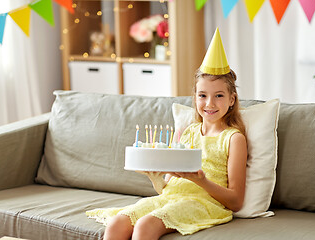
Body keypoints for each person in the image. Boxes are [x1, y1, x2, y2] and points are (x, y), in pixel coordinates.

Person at [86, 28, 247, 240]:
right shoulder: (188, 133)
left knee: (145, 226)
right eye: (202, 95)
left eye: (218, 95)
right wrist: (156, 180)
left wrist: (200, 180)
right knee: (118, 222)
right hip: (171, 198)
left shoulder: (234, 139)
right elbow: (168, 187)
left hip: (203, 203)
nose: (209, 103)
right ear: (195, 97)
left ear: (232, 99)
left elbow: (236, 201)